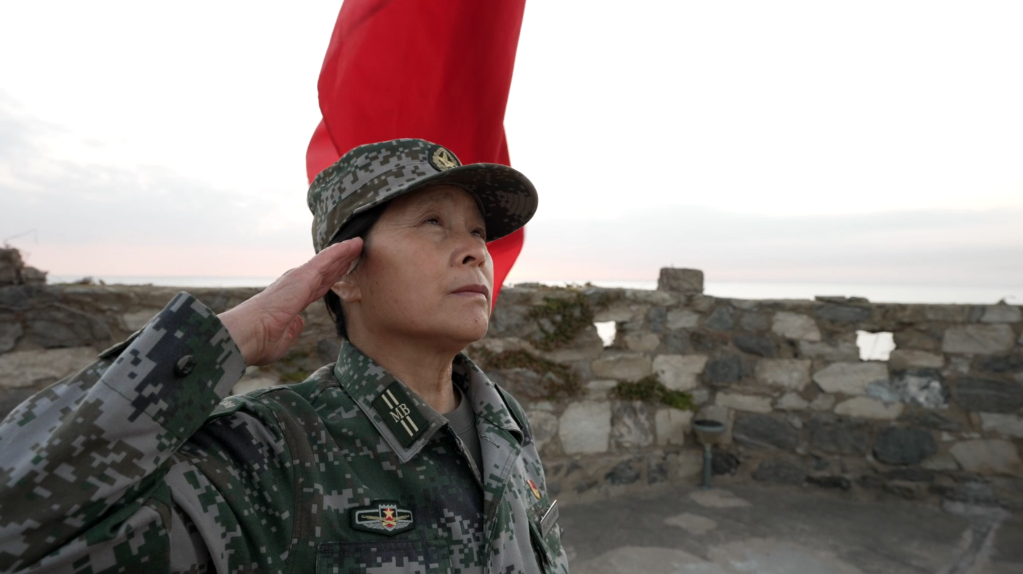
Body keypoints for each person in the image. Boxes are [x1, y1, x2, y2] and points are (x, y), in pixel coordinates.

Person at [0, 138, 569, 574]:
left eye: (478, 232)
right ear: (343, 271)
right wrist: (220, 340)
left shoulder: (503, 422)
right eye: (433, 222)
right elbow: (20, 529)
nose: (475, 251)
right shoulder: (267, 450)